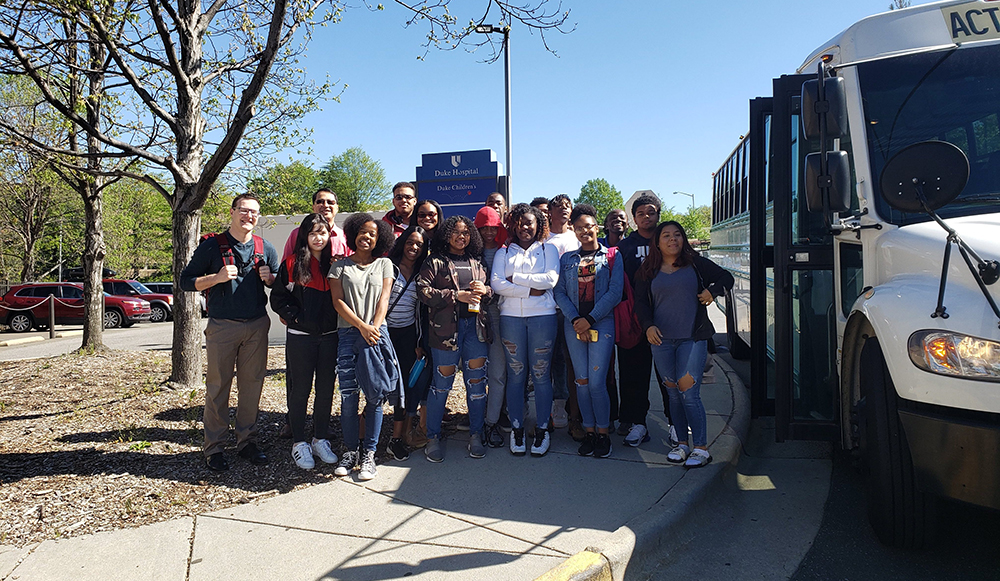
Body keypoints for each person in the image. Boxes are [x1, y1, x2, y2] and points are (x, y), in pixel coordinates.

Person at [180, 193, 279, 471]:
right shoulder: (212, 246)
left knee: (252, 386)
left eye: (254, 213)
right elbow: (186, 281)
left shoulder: (265, 247)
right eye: (244, 211)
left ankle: (247, 442)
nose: (249, 216)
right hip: (222, 326)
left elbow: (278, 281)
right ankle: (214, 448)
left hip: (257, 325)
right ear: (233, 212)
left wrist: (271, 279)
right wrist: (217, 278)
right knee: (218, 387)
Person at [635, 221, 734, 468]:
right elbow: (640, 305)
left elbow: (726, 277)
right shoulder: (647, 270)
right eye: (666, 236)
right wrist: (647, 325)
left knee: (689, 393)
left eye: (677, 235)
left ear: (683, 239)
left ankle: (700, 447)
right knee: (672, 394)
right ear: (657, 242)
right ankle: (681, 445)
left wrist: (713, 291)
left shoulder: (696, 263)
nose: (672, 240)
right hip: (661, 341)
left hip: (692, 338)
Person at [416, 215, 493, 462]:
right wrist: (455, 296)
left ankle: (476, 435)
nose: (462, 237)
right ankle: (433, 437)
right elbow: (423, 291)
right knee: (441, 386)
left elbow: (490, 291)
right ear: (447, 234)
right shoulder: (435, 261)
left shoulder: (477, 262)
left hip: (475, 331)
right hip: (445, 333)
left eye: (466, 233)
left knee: (477, 386)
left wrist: (486, 290)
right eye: (456, 232)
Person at [328, 213, 398, 481]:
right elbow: (338, 302)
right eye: (363, 232)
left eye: (373, 234)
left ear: (379, 240)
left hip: (376, 334)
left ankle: (369, 454)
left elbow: (384, 299)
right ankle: (350, 451)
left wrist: (374, 328)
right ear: (354, 233)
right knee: (348, 396)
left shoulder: (384, 265)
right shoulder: (339, 267)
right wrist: (361, 326)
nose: (367, 237)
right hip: (349, 334)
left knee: (375, 396)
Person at [269, 213, 339, 470]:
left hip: (330, 337)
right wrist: (295, 318)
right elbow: (277, 299)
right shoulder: (291, 264)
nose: (318, 238)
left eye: (322, 233)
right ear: (304, 237)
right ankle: (299, 442)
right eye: (313, 233)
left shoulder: (335, 265)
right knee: (300, 390)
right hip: (301, 338)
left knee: (325, 389)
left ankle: (320, 438)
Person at [553, 204, 623, 458]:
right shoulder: (567, 259)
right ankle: (589, 431)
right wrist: (575, 319)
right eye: (579, 228)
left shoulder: (612, 256)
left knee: (596, 383)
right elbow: (559, 291)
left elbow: (615, 292)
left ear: (597, 228)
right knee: (580, 383)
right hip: (574, 325)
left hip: (601, 324)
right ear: (574, 230)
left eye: (589, 227)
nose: (585, 232)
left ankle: (603, 434)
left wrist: (590, 319)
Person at [491, 203, 560, 457]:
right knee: (516, 374)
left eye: (529, 222)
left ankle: (542, 428)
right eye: (519, 223)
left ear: (538, 224)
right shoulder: (503, 252)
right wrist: (531, 288)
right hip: (511, 318)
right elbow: (497, 284)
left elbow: (550, 279)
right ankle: (517, 428)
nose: (524, 227)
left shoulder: (548, 249)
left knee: (541, 374)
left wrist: (516, 279)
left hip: (543, 317)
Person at [616, 193, 673, 448]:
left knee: (669, 375)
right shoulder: (626, 247)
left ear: (658, 214)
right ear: (634, 218)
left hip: (667, 319)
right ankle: (636, 422)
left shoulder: (669, 240)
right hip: (635, 320)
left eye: (651, 212)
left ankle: (676, 423)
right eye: (640, 213)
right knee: (633, 374)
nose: (646, 217)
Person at [384, 225, 431, 461]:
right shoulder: (387, 267)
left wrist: (419, 341)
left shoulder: (422, 273)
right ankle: (363, 443)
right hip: (384, 333)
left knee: (404, 387)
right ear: (402, 242)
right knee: (379, 386)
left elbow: (419, 312)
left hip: (407, 336)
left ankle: (397, 438)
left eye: (419, 245)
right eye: (411, 242)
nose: (414, 247)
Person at [545, 194, 583, 440]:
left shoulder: (576, 237)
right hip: (546, 308)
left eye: (568, 206)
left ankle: (574, 414)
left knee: (570, 361)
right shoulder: (543, 238)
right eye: (559, 207)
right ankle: (552, 407)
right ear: (550, 211)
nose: (565, 210)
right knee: (548, 360)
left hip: (572, 309)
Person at [475, 206, 508, 447]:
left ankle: (491, 421)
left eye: (492, 228)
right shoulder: (468, 251)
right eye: (483, 228)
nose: (488, 232)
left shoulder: (505, 251)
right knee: (474, 375)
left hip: (498, 315)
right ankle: (475, 423)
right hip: (471, 317)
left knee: (498, 373)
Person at [282, 189, 350, 261]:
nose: (325, 205)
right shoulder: (297, 234)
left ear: (337, 208)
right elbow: (286, 265)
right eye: (320, 202)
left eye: (330, 202)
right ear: (313, 207)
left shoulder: (345, 237)